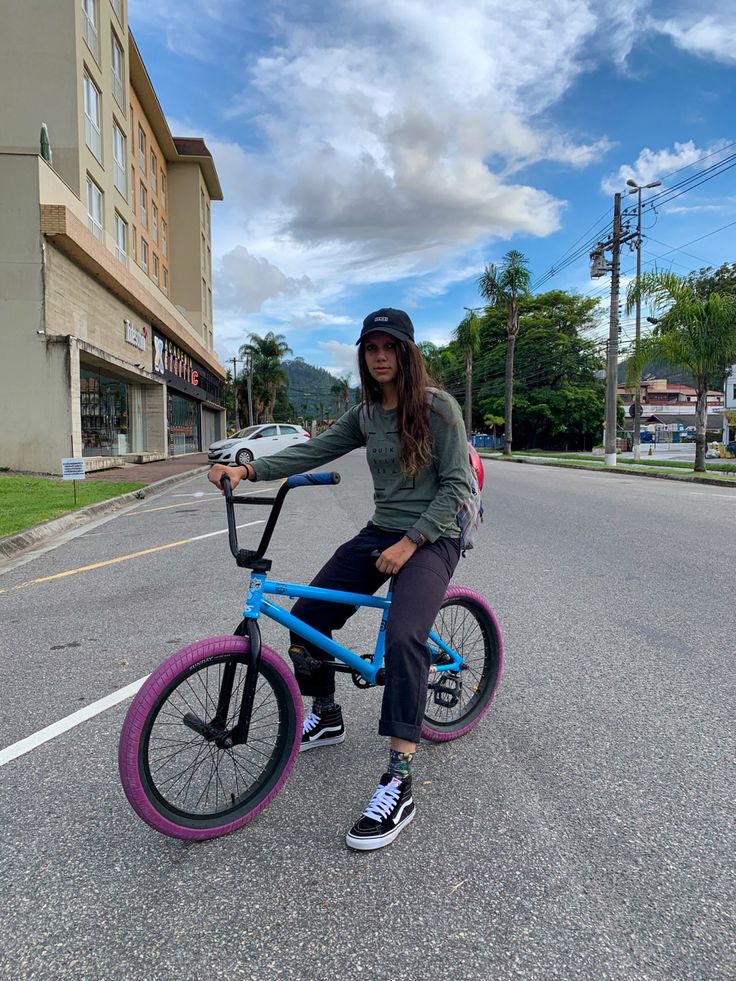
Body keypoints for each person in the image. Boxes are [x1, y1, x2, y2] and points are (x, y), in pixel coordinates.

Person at [209, 308, 473, 851]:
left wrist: (411, 542)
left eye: (389, 346)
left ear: (407, 352)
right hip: (383, 529)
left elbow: (457, 487)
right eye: (370, 347)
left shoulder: (437, 408)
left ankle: (399, 781)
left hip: (435, 534)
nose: (379, 356)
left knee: (404, 637)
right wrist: (246, 468)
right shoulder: (367, 413)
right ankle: (327, 715)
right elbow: (312, 448)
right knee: (307, 619)